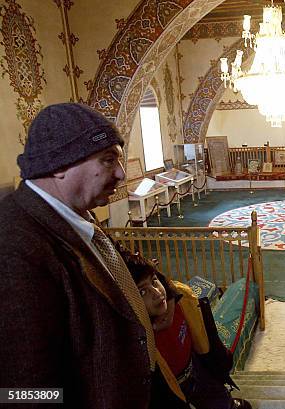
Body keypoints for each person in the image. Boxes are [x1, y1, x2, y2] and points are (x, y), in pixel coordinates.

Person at [0, 103, 185, 408]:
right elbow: (25, 391)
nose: (122, 174)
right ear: (59, 166)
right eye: (108, 160)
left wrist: (171, 294)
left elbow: (121, 262)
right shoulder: (14, 247)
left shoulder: (75, 213)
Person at [123, 252, 251, 409]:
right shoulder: (136, 340)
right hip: (170, 387)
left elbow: (171, 287)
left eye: (154, 282)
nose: (157, 293)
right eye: (143, 291)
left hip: (196, 366)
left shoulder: (181, 302)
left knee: (217, 398)